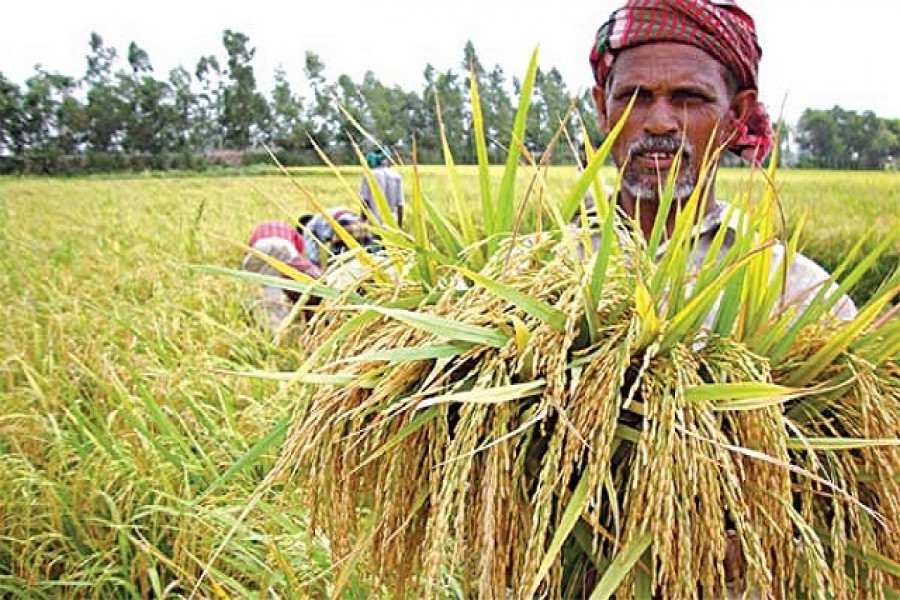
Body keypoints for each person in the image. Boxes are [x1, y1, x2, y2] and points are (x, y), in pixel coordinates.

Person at [587, 0, 856, 323]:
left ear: (736, 115)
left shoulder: (801, 297)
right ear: (603, 109)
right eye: (635, 97)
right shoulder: (538, 271)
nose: (659, 122)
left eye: (688, 98)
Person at [242, 219, 323, 335]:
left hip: (259, 247)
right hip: (285, 247)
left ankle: (260, 314)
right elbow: (297, 257)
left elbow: (249, 248)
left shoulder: (261, 227)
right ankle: (279, 326)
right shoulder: (293, 233)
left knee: (263, 283)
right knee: (279, 284)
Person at [299, 206, 374, 269]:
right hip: (356, 222)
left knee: (336, 262)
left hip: (342, 226)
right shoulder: (323, 215)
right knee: (368, 255)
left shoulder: (308, 227)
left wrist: (317, 269)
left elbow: (312, 255)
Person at [359, 148, 404, 229]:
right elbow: (400, 204)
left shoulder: (368, 175)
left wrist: (362, 221)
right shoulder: (396, 176)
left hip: (375, 223)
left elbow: (364, 201)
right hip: (392, 224)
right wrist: (400, 227)